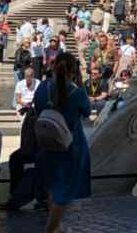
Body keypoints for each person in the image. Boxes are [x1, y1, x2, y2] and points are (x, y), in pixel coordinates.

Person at [34, 52, 91, 233]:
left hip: (46, 142)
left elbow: (36, 107)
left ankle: (56, 226)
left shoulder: (43, 88)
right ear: (74, 71)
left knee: (53, 186)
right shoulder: (77, 92)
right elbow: (87, 112)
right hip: (70, 146)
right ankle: (50, 229)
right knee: (64, 191)